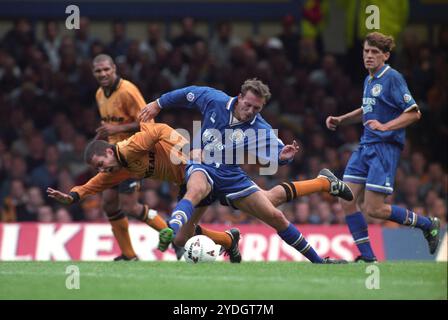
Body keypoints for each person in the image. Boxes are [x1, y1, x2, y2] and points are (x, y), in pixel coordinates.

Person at [139, 78, 353, 264]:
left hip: (230, 176)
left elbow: (277, 151)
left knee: (275, 214)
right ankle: (212, 236)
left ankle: (319, 260)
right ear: (239, 97)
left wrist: (282, 157)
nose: (250, 111)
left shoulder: (260, 127)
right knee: (181, 236)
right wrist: (158, 104)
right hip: (202, 164)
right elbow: (188, 93)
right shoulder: (215, 100)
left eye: (256, 109)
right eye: (248, 105)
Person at [47, 122, 242, 262]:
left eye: (101, 164)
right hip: (186, 181)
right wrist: (73, 195)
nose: (101, 169)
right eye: (97, 167)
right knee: (182, 237)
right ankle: (228, 240)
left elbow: (160, 129)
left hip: (200, 169)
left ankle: (234, 237)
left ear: (108, 152)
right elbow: (96, 183)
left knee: (260, 200)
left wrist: (187, 148)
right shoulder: (118, 168)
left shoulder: (129, 148)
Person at [325, 32, 440, 262]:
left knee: (374, 209)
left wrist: (386, 126)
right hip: (365, 146)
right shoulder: (369, 79)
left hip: (384, 149)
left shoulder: (393, 77)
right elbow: (366, 109)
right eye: (366, 51)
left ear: (385, 56)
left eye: (375, 52)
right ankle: (368, 258)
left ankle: (428, 225)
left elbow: (414, 113)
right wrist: (341, 119)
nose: (369, 56)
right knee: (346, 199)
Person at [89, 53, 166, 261]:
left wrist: (117, 127)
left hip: (131, 154)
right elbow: (109, 128)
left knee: (130, 206)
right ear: (93, 73)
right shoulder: (99, 94)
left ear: (114, 68)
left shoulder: (128, 91)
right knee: (109, 204)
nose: (103, 74)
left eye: (106, 69)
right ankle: (129, 255)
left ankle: (172, 236)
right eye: (98, 71)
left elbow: (147, 121)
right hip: (112, 157)